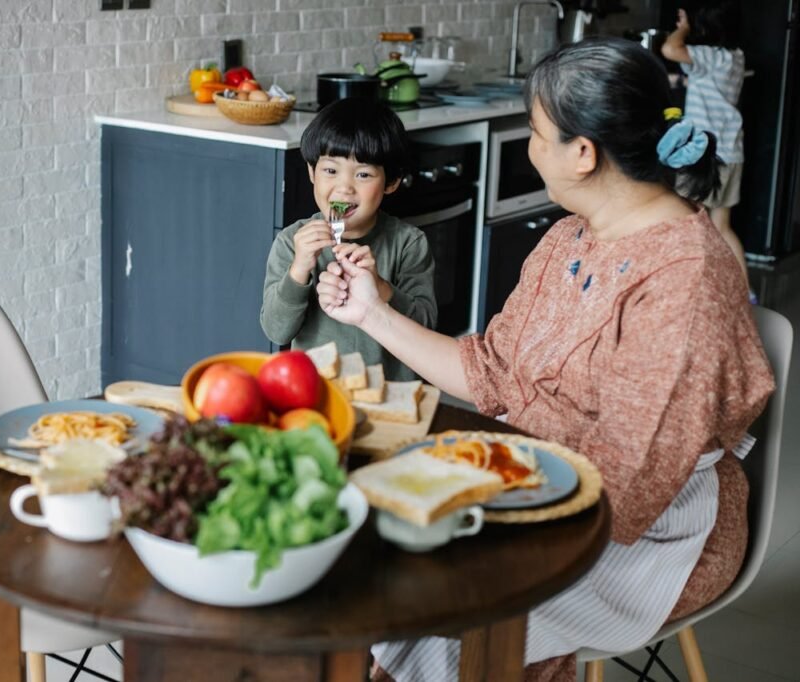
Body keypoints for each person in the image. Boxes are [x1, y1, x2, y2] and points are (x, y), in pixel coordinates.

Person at [317, 38, 774, 681]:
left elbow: (628, 485)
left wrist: (466, 508)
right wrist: (371, 313)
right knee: (354, 566)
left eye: (534, 132)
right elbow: (488, 373)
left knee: (435, 612)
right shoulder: (570, 236)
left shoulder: (685, 279)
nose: (531, 149)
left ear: (582, 153)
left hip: (646, 535)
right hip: (539, 478)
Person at [259, 97, 437, 381]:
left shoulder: (409, 243)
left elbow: (425, 328)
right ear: (311, 173)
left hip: (387, 393)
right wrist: (299, 269)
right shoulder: (292, 242)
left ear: (391, 182)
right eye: (330, 170)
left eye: (363, 174)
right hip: (315, 389)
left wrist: (380, 288)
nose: (344, 188)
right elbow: (276, 330)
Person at [661, 1, 749, 282]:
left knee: (684, 219)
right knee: (722, 226)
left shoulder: (706, 55)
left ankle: (684, 283)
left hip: (703, 153)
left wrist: (682, 30)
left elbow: (668, 49)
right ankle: (744, 292)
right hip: (732, 149)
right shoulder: (735, 56)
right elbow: (707, 83)